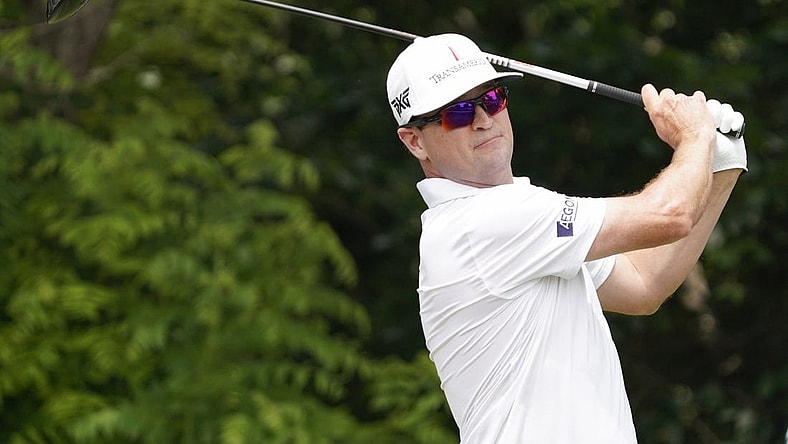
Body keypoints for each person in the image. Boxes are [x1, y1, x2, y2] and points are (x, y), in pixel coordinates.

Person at [386, 33, 747, 443]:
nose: (484, 120)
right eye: (458, 113)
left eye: (492, 99)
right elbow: (670, 214)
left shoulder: (518, 225)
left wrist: (721, 163)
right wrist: (695, 137)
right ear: (415, 141)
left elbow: (643, 285)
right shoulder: (481, 222)